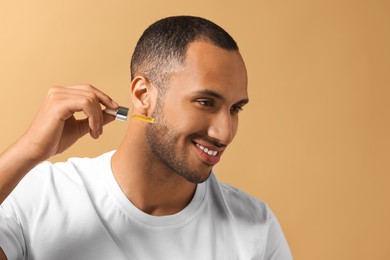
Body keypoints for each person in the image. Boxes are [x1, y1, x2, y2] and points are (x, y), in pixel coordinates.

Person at [0, 16, 292, 259]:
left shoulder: (256, 227)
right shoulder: (38, 197)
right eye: (206, 102)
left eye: (235, 109)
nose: (225, 132)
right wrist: (28, 151)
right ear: (143, 95)